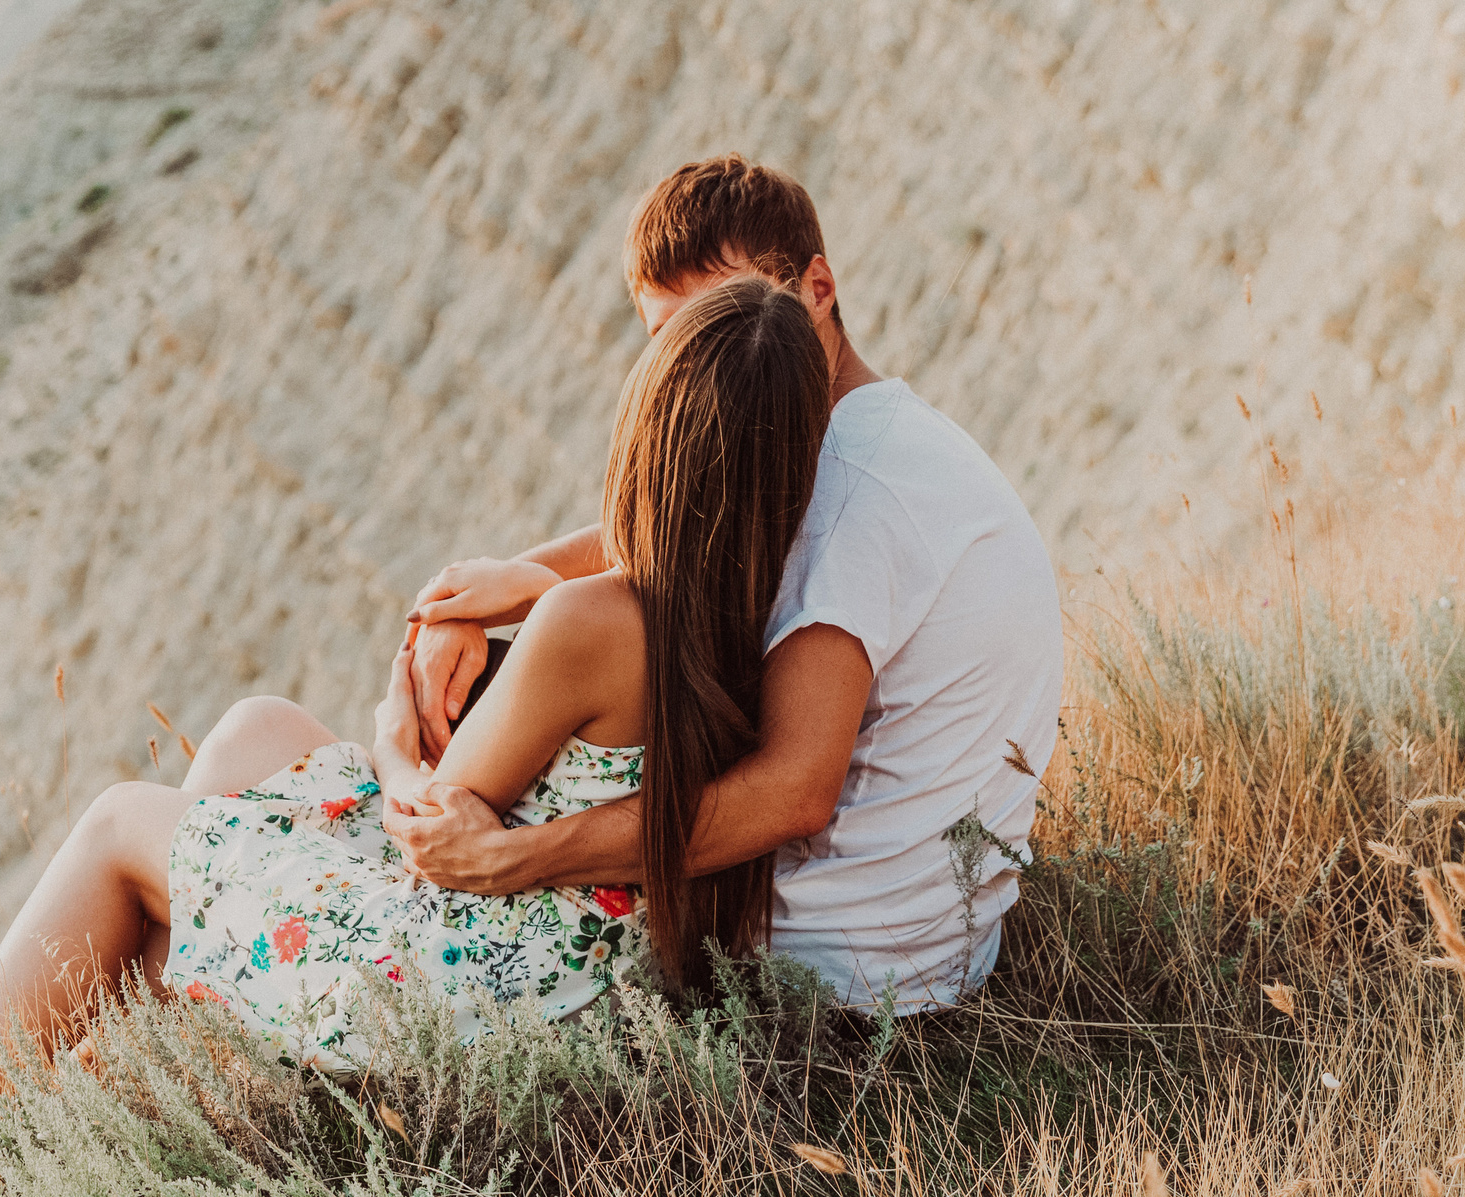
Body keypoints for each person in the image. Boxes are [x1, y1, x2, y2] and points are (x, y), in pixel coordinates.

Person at [0, 277, 830, 1092]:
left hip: (469, 979)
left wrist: (394, 739)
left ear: (648, 435)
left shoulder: (593, 621)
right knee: (257, 732)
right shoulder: (757, 617)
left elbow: (429, 829)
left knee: (119, 821)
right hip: (576, 964)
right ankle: (144, 1073)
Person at [389, 155, 1064, 1014]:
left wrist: (519, 858)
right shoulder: (863, 438)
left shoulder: (850, 499)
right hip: (934, 944)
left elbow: (795, 791)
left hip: (833, 974)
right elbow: (690, 525)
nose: (695, 362)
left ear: (816, 290)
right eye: (669, 338)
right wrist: (509, 583)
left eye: (719, 318)